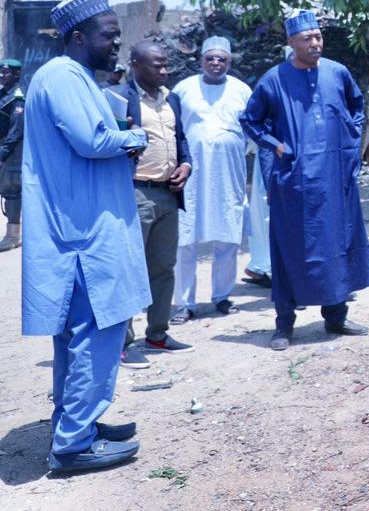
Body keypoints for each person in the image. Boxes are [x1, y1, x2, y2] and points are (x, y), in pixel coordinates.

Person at [23, 0, 149, 472]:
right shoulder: (62, 75)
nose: (117, 45)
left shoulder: (70, 77)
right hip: (85, 235)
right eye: (110, 37)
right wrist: (135, 136)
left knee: (80, 336)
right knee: (99, 330)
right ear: (78, 38)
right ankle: (74, 444)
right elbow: (93, 140)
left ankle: (76, 424)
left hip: (83, 228)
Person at [240, 11, 369, 350]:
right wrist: (276, 145)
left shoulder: (337, 72)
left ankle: (336, 317)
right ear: (291, 43)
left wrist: (349, 140)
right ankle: (284, 325)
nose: (315, 43)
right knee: (291, 248)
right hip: (295, 181)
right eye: (306, 39)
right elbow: (250, 120)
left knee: (337, 244)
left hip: (336, 177)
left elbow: (357, 106)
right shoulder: (274, 79)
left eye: (318, 37)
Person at [109, 41, 194, 360]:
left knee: (163, 267)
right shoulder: (119, 98)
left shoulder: (172, 99)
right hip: (135, 192)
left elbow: (181, 140)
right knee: (130, 268)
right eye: (157, 65)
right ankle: (123, 343)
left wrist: (186, 166)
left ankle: (157, 334)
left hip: (168, 194)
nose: (164, 70)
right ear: (135, 65)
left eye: (165, 64)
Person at [170, 37, 253, 320]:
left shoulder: (242, 90)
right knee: (185, 238)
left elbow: (253, 128)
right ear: (201, 61)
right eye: (211, 59)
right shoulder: (183, 89)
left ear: (229, 62)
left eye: (222, 59)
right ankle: (184, 304)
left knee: (228, 235)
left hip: (229, 172)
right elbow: (172, 127)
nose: (216, 64)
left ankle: (222, 296)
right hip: (190, 173)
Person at [0, 58, 25, 251]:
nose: (1, 75)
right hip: (5, 151)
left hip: (13, 153)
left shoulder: (18, 98)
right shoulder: (3, 94)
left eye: (6, 72)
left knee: (13, 193)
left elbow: (16, 131)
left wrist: (2, 154)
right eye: (1, 71)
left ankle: (13, 235)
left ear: (16, 74)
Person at [240, 142, 272, 288]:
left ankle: (259, 266)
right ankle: (265, 267)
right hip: (271, 153)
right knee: (267, 214)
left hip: (267, 152)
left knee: (263, 213)